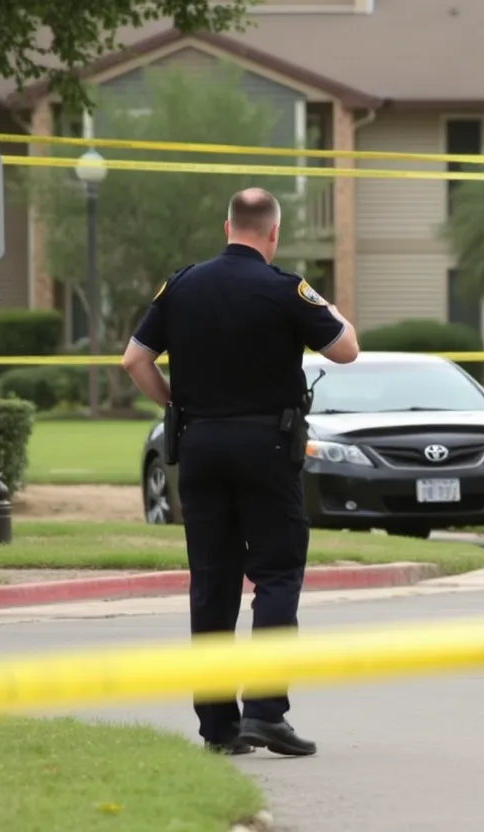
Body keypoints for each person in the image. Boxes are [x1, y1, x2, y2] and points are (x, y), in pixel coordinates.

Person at [121, 187, 359, 757]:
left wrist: (175, 406)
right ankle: (266, 714)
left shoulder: (180, 286)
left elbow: (133, 359)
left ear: (225, 226)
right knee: (276, 575)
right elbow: (346, 349)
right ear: (272, 233)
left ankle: (219, 729)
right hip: (266, 446)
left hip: (199, 444)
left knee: (212, 583)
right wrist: (320, 301)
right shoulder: (285, 289)